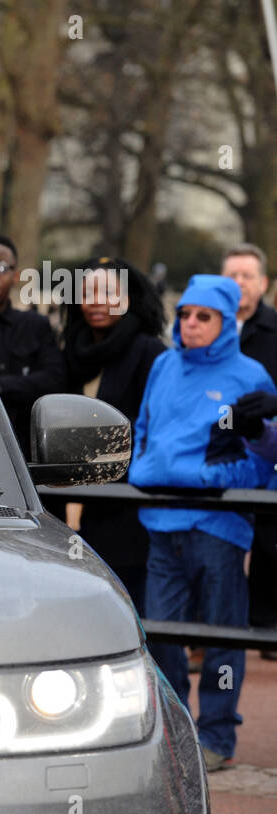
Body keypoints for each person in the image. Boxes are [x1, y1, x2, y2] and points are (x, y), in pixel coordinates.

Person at [129, 274, 277, 771]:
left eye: (203, 316)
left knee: (223, 640)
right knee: (162, 636)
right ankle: (174, 732)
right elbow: (144, 428)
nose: (189, 323)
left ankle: (216, 736)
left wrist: (207, 477)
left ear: (228, 321)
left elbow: (263, 463)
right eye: (185, 313)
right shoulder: (163, 365)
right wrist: (149, 468)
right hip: (160, 522)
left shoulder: (251, 375)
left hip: (218, 528)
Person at [61, 257, 166, 613]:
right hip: (67, 497)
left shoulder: (149, 351)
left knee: (126, 604)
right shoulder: (71, 350)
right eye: (87, 293)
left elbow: (153, 427)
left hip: (124, 503)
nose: (96, 301)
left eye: (108, 292)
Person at [0, 232, 65, 452]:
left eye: (2, 267)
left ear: (16, 276)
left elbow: (55, 379)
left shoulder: (36, 326)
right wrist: (20, 385)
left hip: (27, 451)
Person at [222, 243, 277, 656]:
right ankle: (213, 631)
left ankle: (266, 622)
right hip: (218, 449)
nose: (239, 283)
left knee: (269, 536)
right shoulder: (202, 325)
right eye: (232, 275)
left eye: (246, 276)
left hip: (267, 449)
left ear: (264, 284)